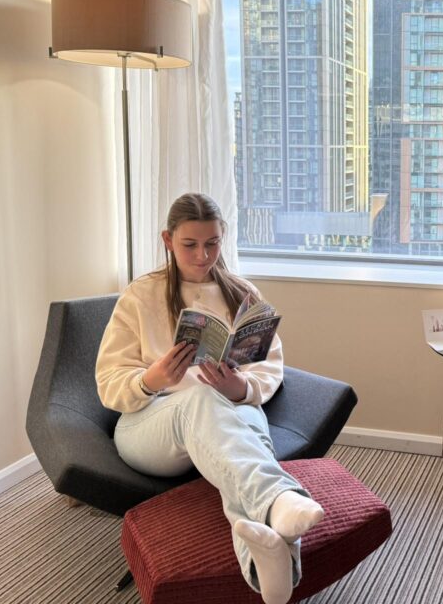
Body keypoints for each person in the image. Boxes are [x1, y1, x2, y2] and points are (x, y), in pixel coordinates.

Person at [96, 192, 322, 604]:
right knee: (208, 402)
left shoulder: (243, 293)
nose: (203, 256)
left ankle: (270, 565)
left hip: (226, 414)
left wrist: (242, 388)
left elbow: (270, 366)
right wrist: (151, 379)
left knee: (240, 416)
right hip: (149, 425)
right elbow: (108, 382)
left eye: (213, 243)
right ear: (168, 240)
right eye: (190, 244)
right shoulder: (140, 296)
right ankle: (277, 498)